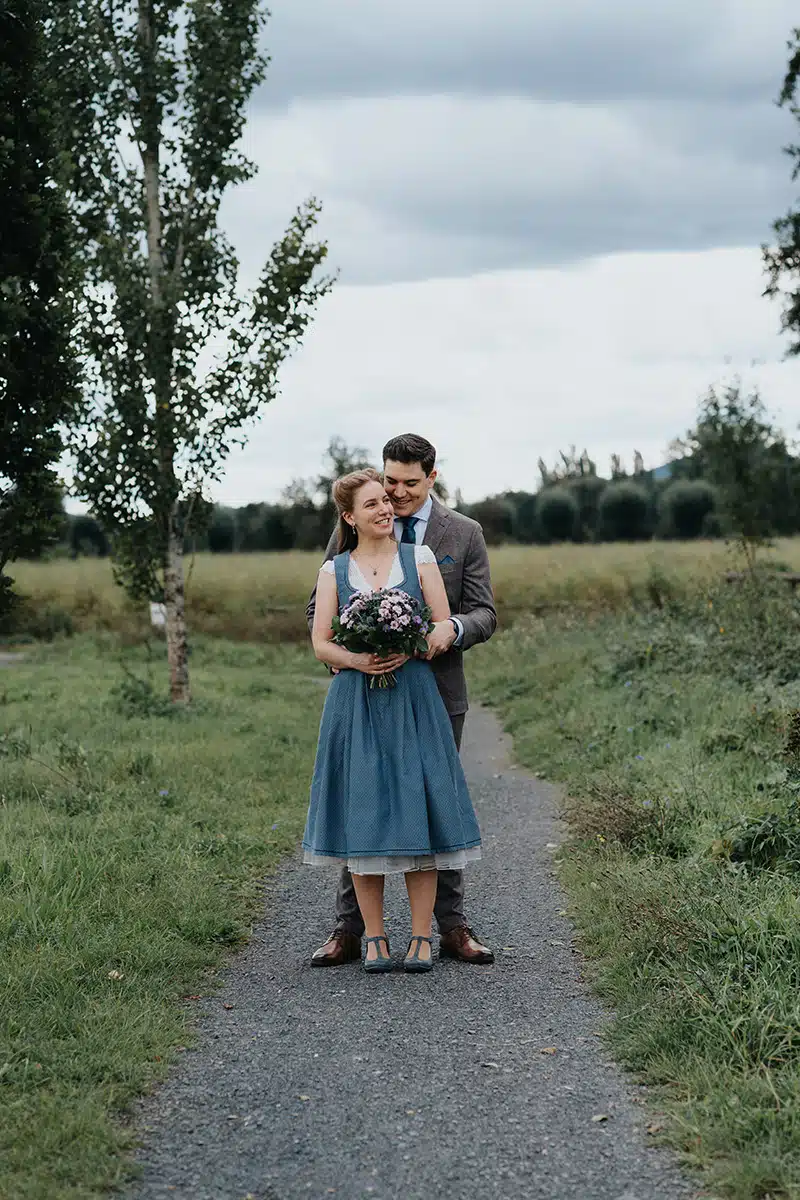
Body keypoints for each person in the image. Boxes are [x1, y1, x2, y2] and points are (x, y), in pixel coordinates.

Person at [306, 433, 497, 967]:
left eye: (410, 484)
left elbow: (484, 612)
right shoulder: (350, 533)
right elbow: (318, 612)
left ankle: (451, 928)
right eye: (389, 482)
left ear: (432, 478)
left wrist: (449, 630)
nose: (397, 494)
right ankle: (351, 930)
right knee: (361, 799)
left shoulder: (463, 533)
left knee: (435, 805)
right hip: (363, 694)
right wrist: (354, 653)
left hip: (435, 692)